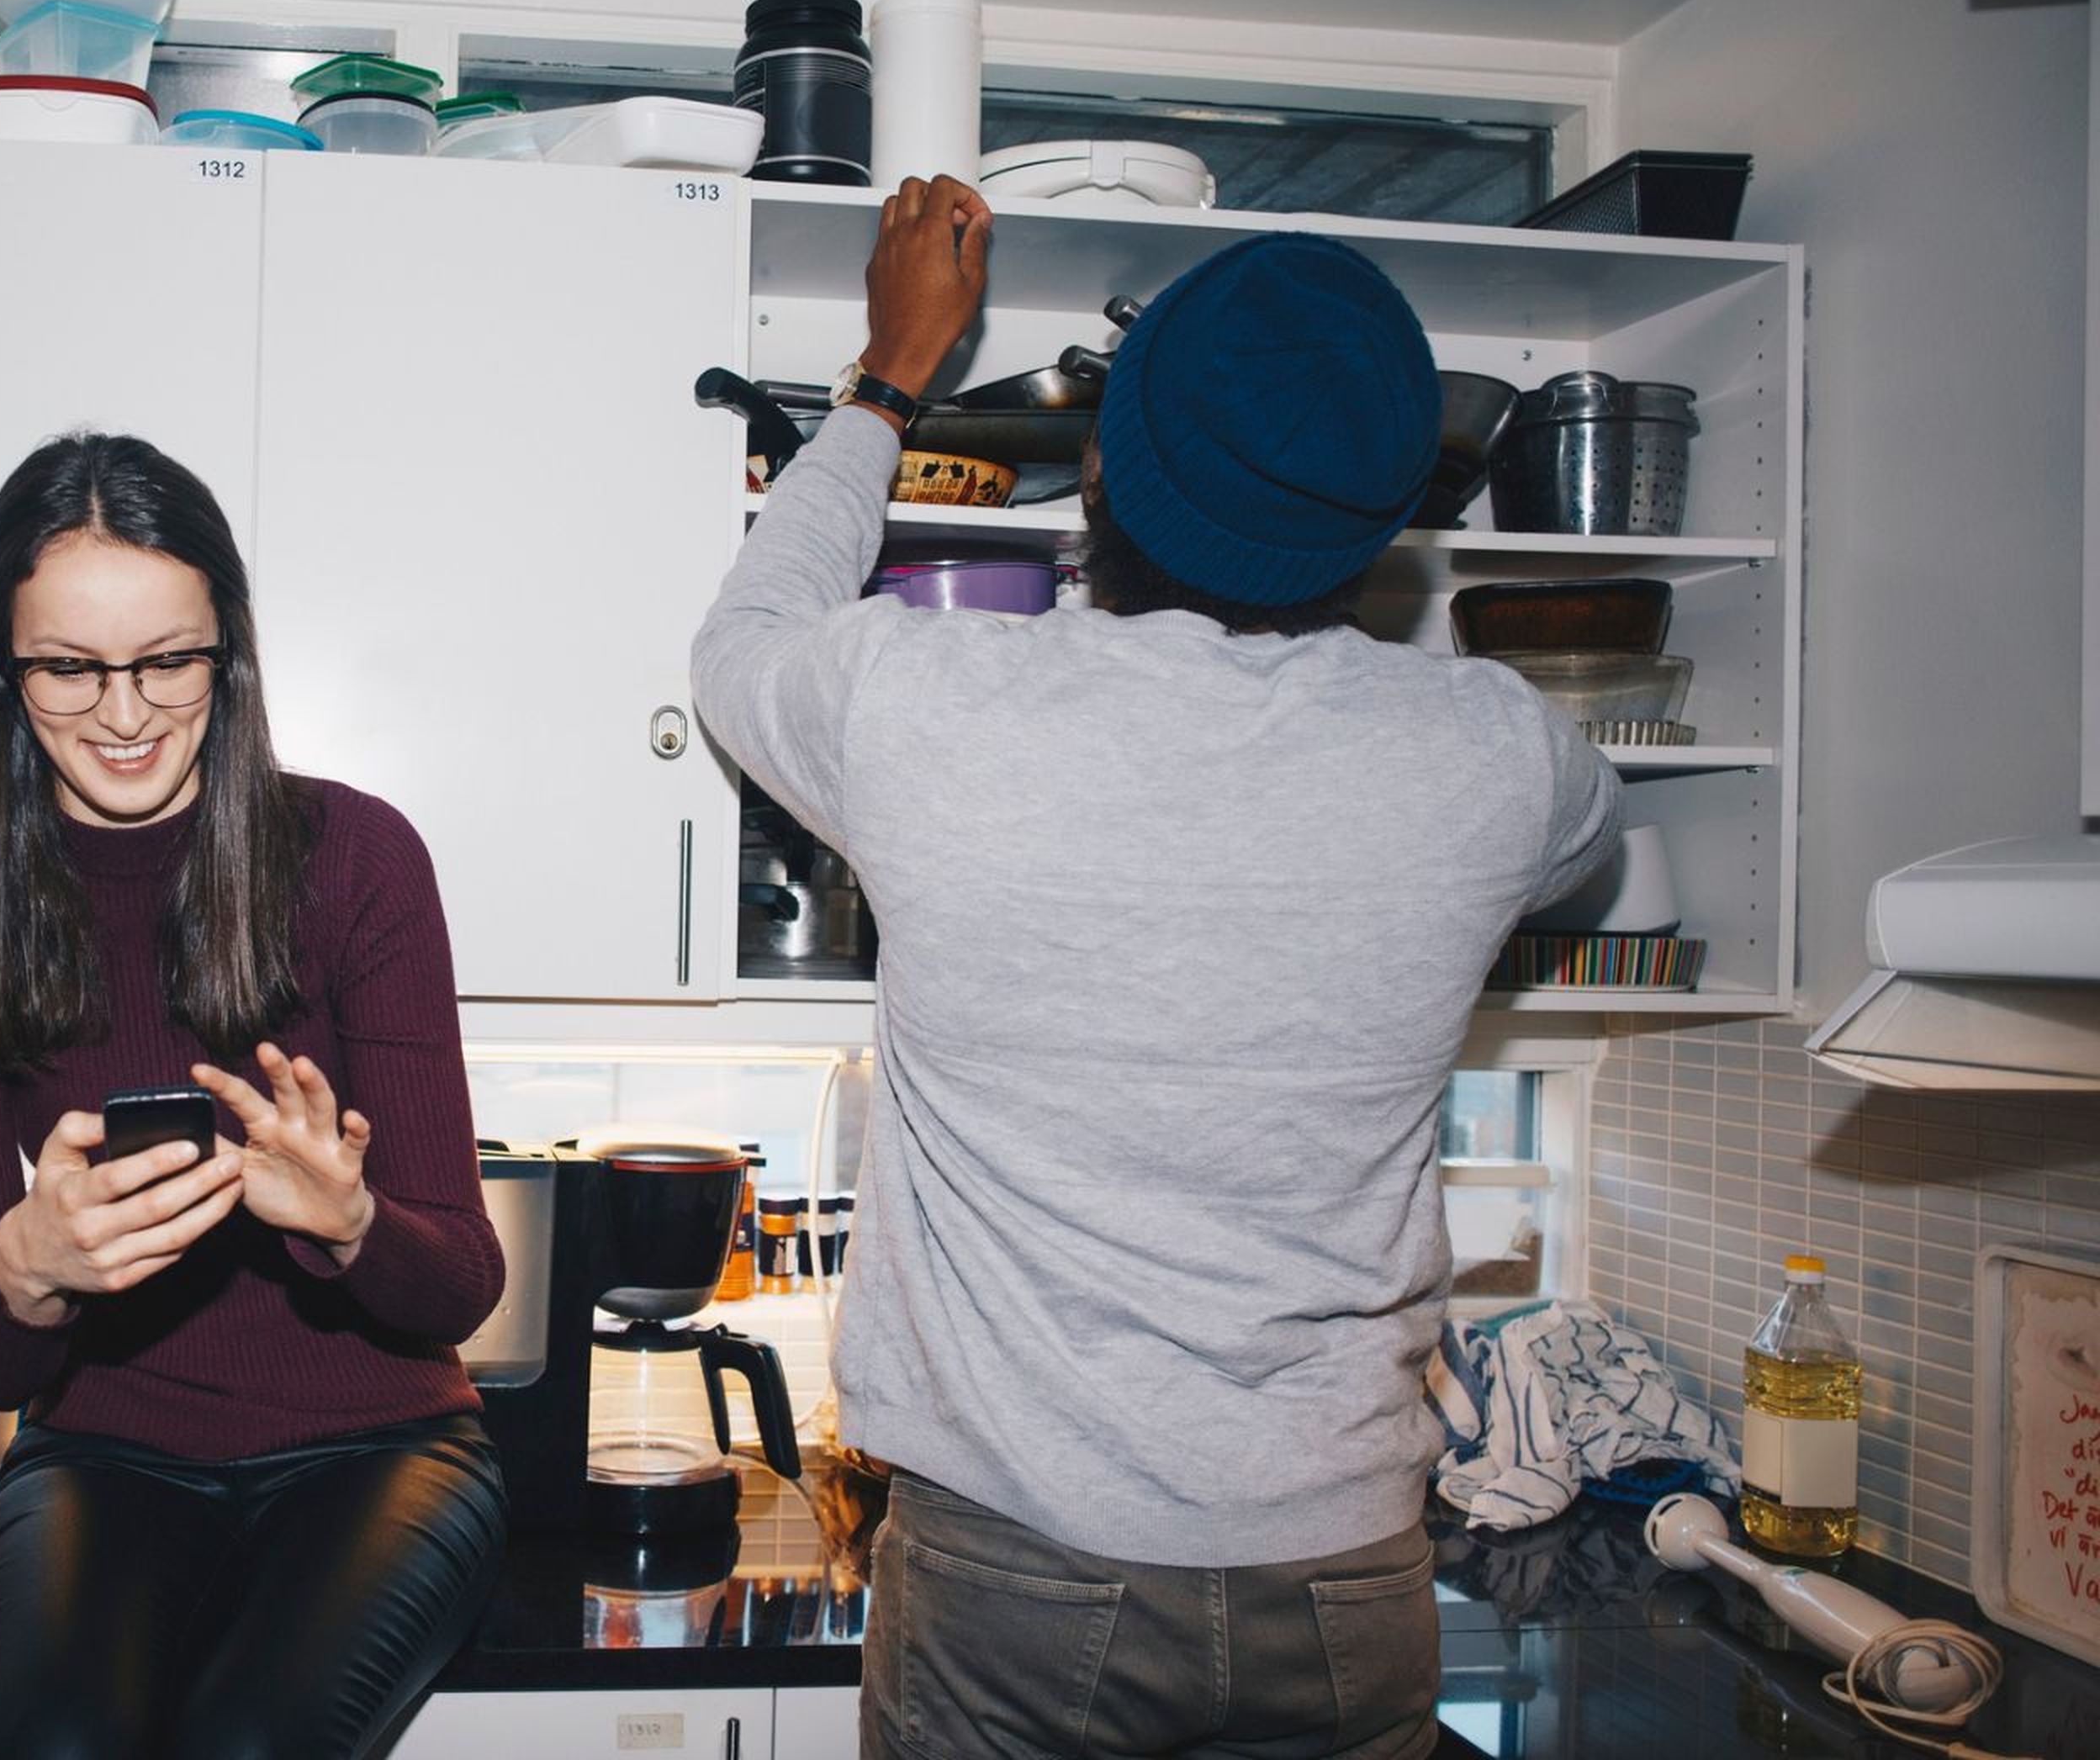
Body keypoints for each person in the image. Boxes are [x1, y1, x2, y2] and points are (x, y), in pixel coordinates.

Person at [693, 181, 1619, 1759]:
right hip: (1350, 1574)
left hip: (1017, 1573)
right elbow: (1584, 864)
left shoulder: (930, 705)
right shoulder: (1499, 753)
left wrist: (891, 371)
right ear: (1393, 511)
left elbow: (743, 638)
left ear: (1110, 465)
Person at [0, 432, 509, 1760]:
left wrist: (351, 1222)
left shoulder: (356, 861)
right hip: (105, 1460)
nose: (126, 711)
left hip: (382, 1451)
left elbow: (462, 1287)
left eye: (168, 659)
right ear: (1, 671)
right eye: (69, 667)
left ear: (229, 654)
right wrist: (28, 1269)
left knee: (250, 1746)